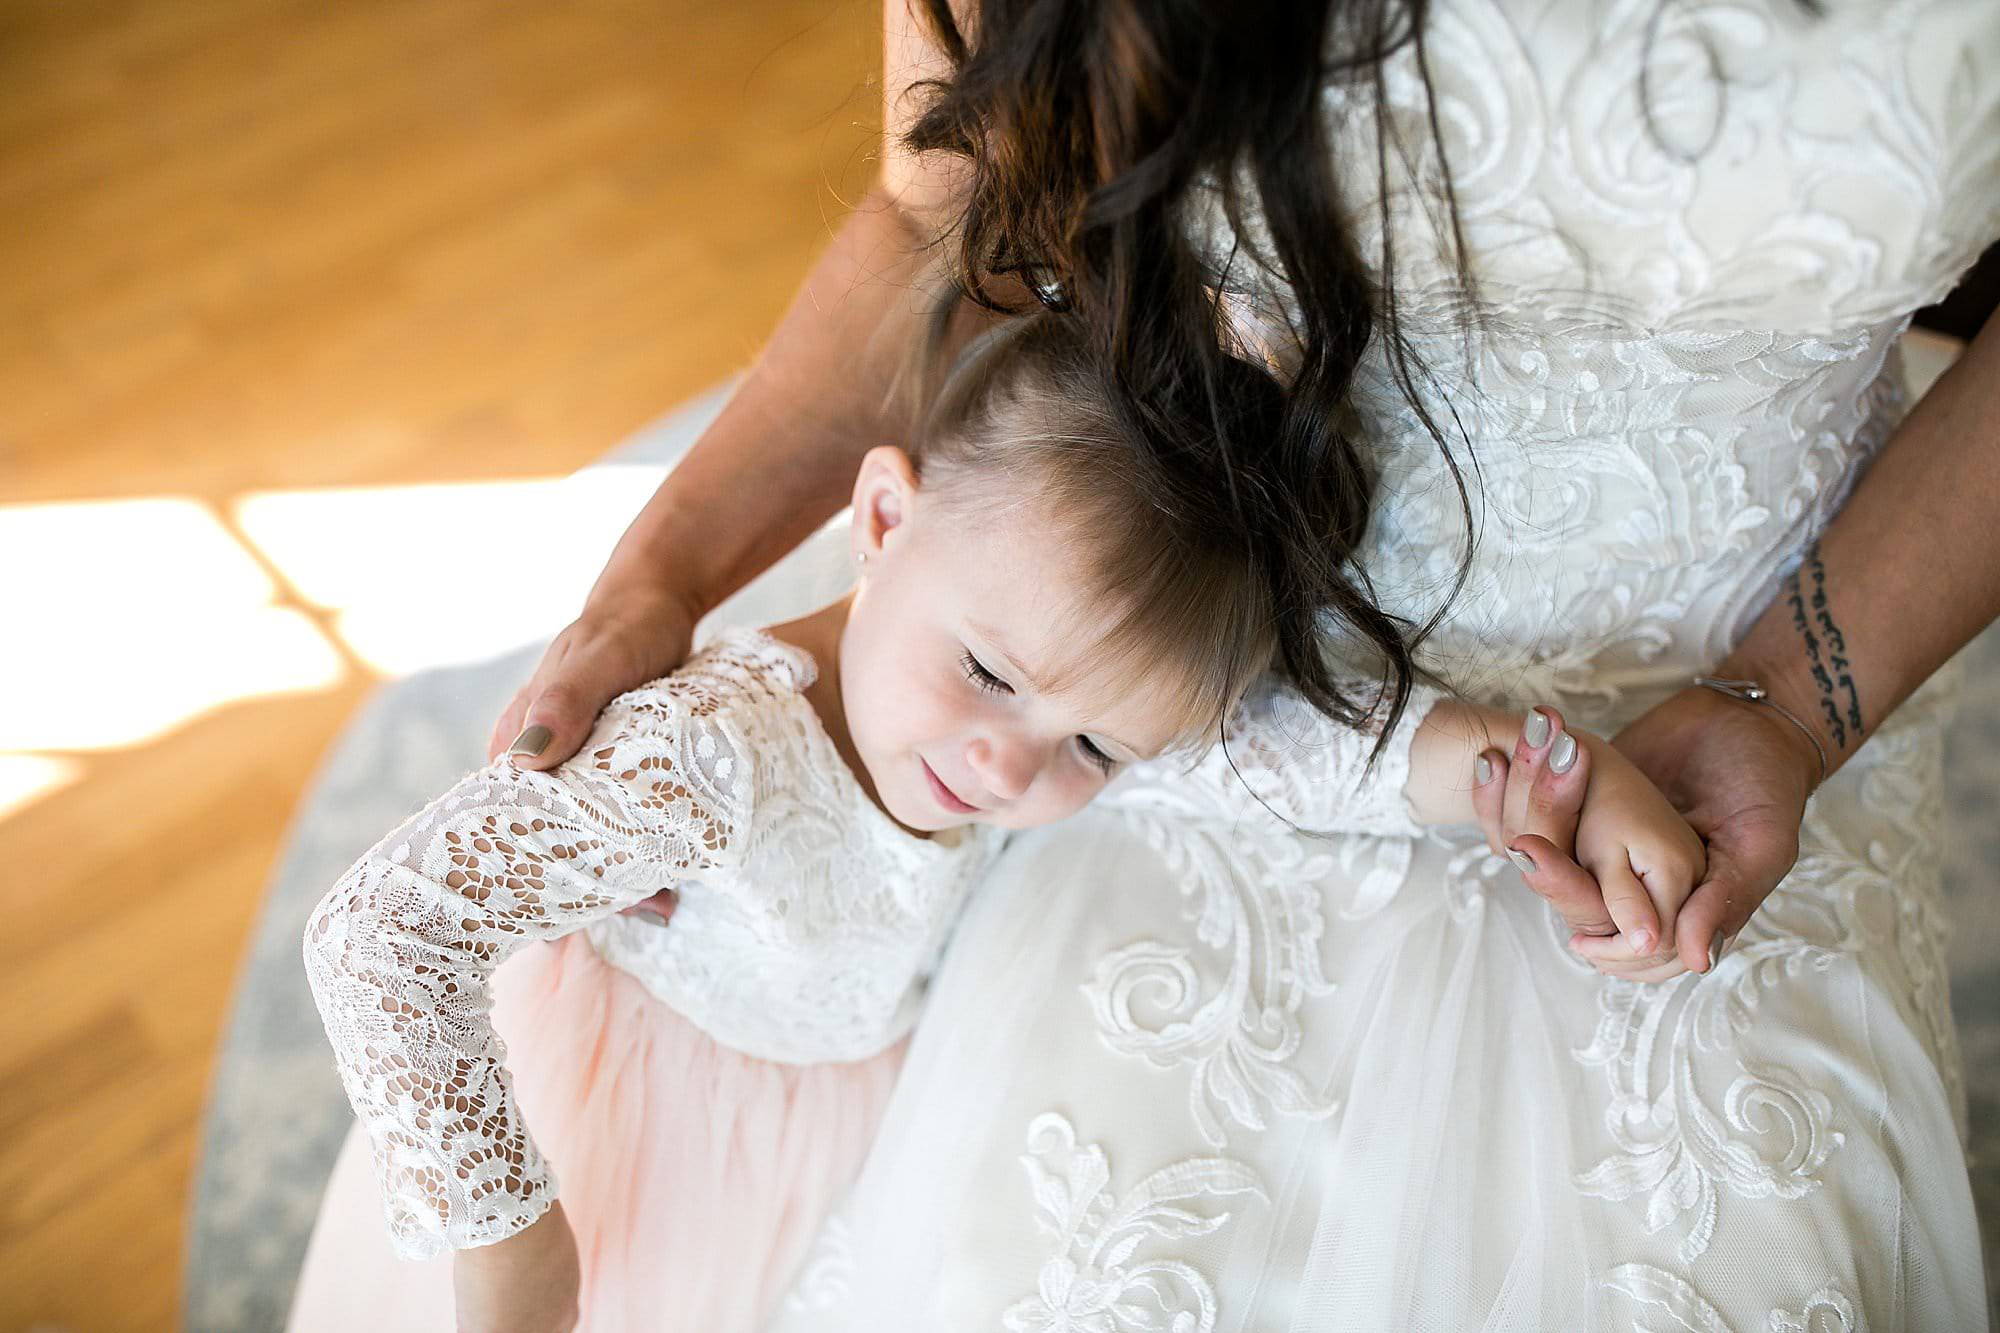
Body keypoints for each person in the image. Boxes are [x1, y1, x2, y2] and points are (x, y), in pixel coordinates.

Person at [483, 0, 2000, 1322]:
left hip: (1756, 675)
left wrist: (1793, 702)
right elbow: (950, 213)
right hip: (1174, 670)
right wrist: (658, 576)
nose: (1006, 757)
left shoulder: (1039, 737)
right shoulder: (1028, 721)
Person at [288, 313, 1699, 1331]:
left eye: (1091, 742)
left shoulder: (1016, 720)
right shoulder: (707, 754)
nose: (1007, 762)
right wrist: (517, 1247)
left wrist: (1513, 769)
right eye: (988, 672)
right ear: (887, 517)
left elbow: (1264, 755)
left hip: (796, 1137)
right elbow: (376, 931)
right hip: (608, 1153)